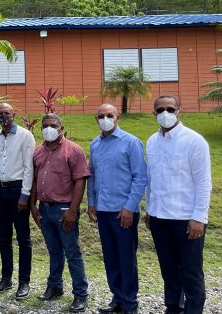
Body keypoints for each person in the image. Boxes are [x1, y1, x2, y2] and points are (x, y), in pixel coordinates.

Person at [145, 95, 211, 314]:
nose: (165, 113)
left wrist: (198, 218)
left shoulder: (194, 141)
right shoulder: (152, 141)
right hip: (159, 218)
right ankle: (173, 307)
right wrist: (149, 210)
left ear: (179, 111)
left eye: (170, 109)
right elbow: (151, 179)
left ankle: (193, 310)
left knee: (191, 270)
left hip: (186, 219)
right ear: (154, 113)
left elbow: (203, 183)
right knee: (169, 269)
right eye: (160, 109)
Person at [87, 104, 148, 314]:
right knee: (111, 257)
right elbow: (92, 175)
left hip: (124, 212)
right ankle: (117, 299)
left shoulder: (131, 143)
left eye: (109, 115)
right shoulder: (95, 144)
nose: (105, 119)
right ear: (96, 120)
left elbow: (140, 178)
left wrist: (130, 207)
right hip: (103, 211)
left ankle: (130, 303)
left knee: (126, 258)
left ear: (117, 117)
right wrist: (92, 202)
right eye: (101, 116)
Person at [30, 113, 91, 313]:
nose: (49, 129)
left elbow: (80, 181)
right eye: (45, 126)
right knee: (54, 251)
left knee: (72, 253)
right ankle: (55, 286)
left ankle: (80, 295)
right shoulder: (38, 151)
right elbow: (34, 180)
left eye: (53, 125)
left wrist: (72, 210)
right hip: (45, 209)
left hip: (64, 209)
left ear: (61, 128)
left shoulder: (73, 150)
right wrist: (33, 206)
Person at [0, 103, 35, 299]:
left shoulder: (25, 136)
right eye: (0, 113)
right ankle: (6, 278)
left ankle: (24, 282)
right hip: (0, 191)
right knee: (3, 238)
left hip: (18, 191)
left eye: (7, 112)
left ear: (14, 114)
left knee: (23, 238)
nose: (3, 116)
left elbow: (29, 167)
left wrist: (25, 195)